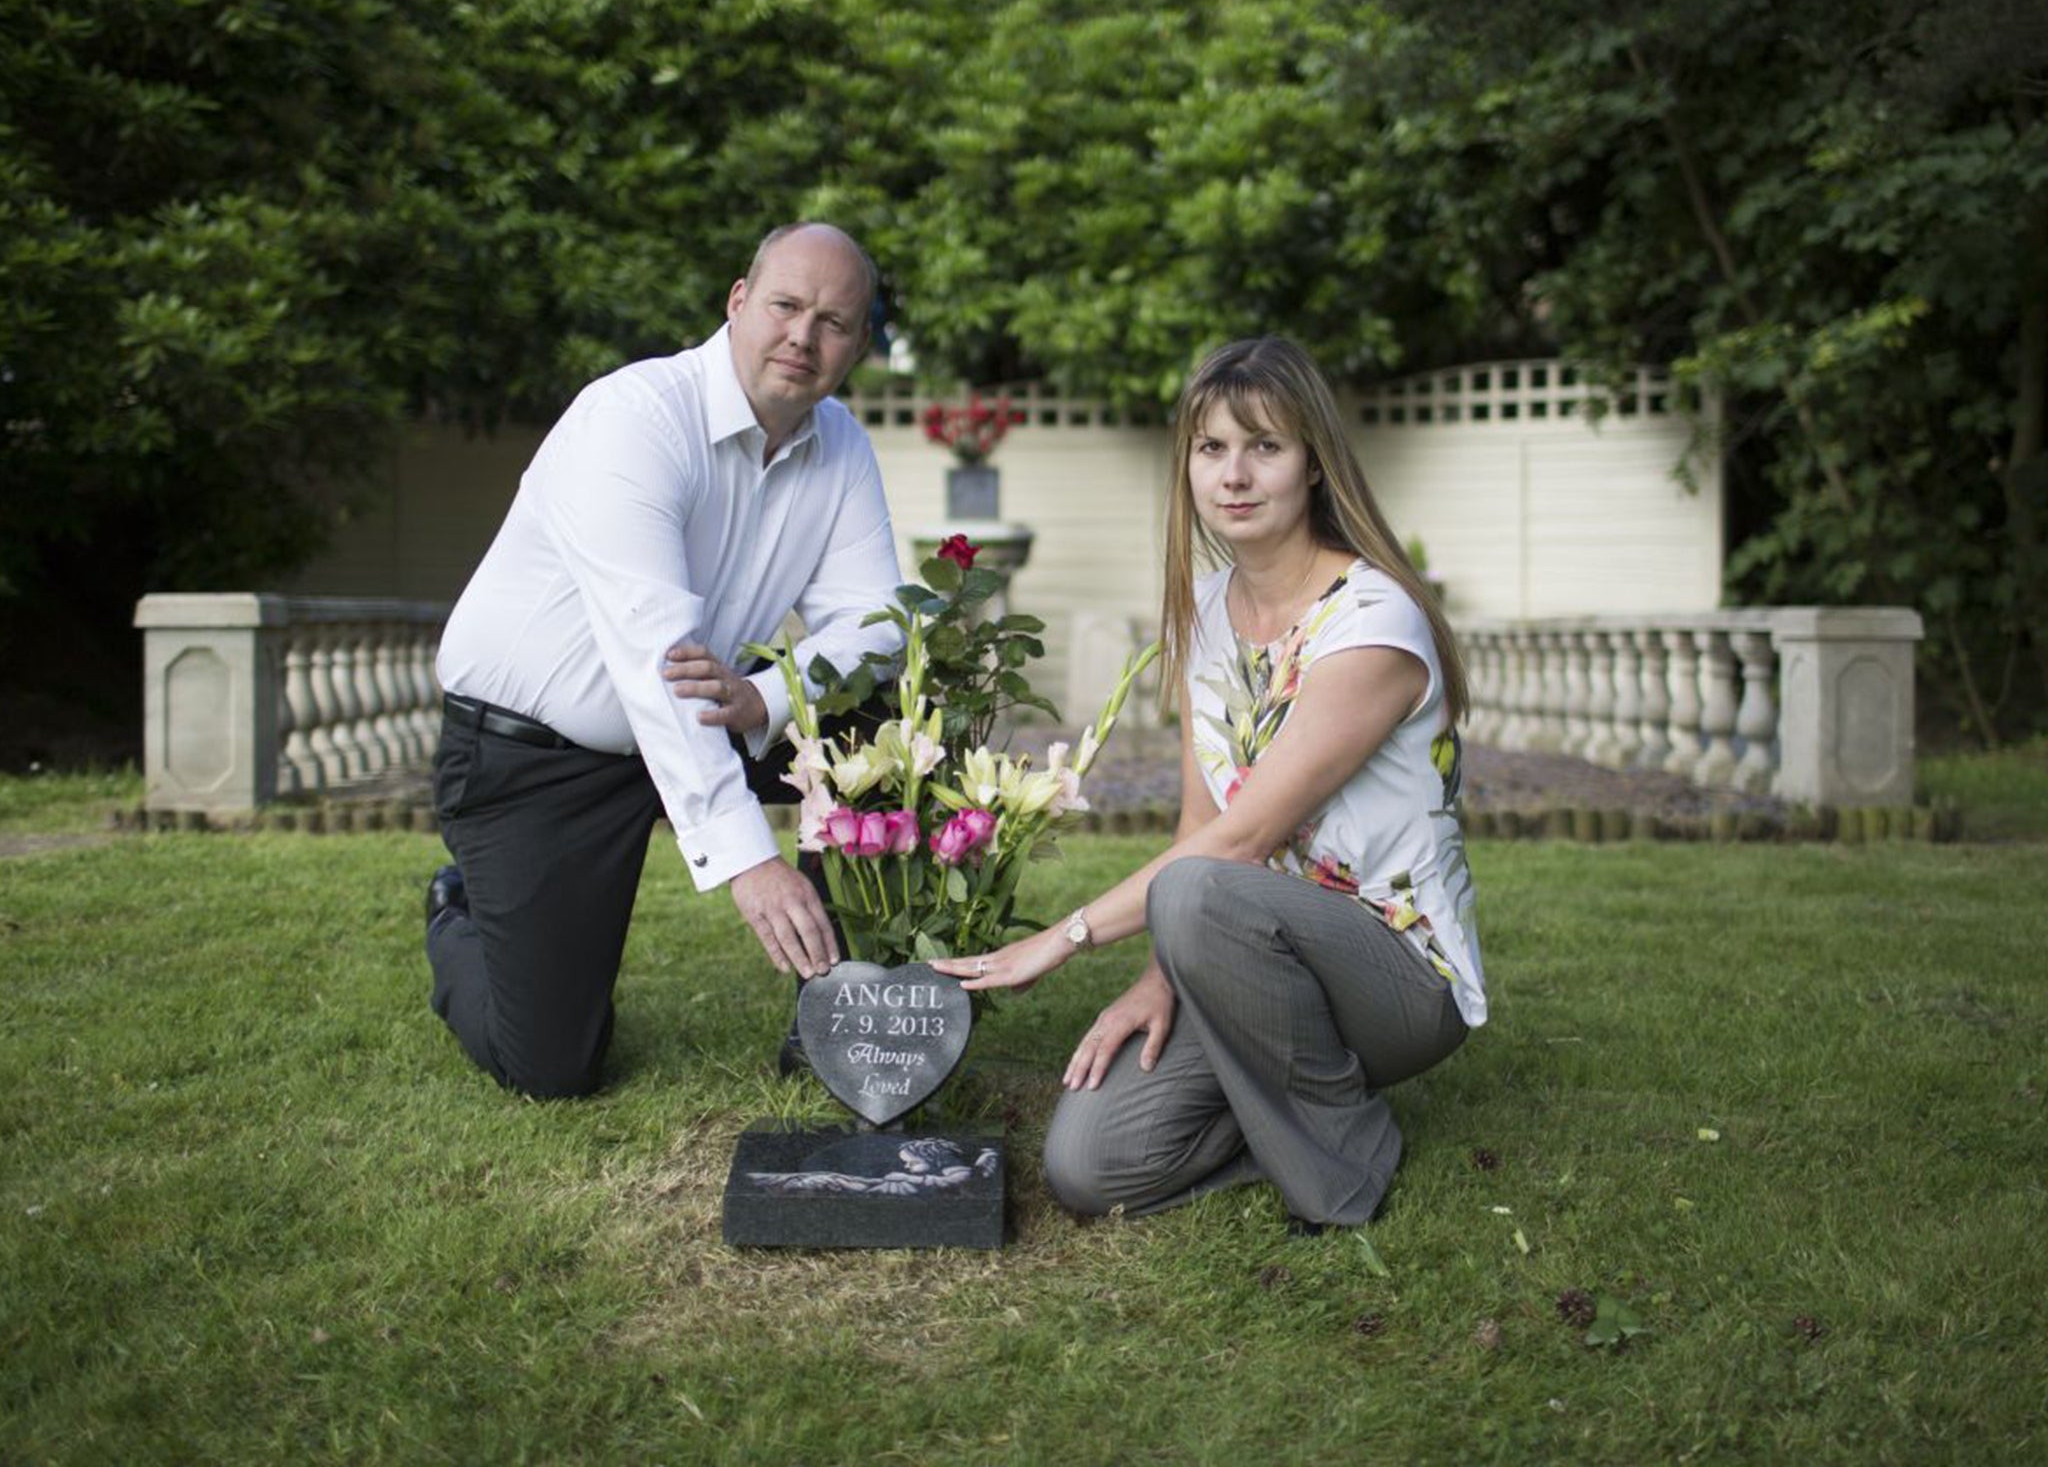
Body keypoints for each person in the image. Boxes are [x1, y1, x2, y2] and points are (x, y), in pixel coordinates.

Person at [932, 336, 1484, 1228]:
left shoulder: (1373, 622)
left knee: (1194, 886)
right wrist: (1162, 975)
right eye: (1211, 447)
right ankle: (1282, 1108)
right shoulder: (1206, 613)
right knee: (1089, 1167)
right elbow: (1201, 818)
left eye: (1265, 446)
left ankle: (1345, 1153)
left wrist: (1062, 939)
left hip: (1399, 975)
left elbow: (1234, 845)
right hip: (1253, 959)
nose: (1235, 474)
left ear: (1313, 465)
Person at [424, 222, 902, 1098]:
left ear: (860, 344)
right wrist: (750, 861)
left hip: (714, 720)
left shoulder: (843, 446)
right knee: (551, 1067)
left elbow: (876, 626)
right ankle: (457, 911)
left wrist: (769, 698)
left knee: (885, 715)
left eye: (834, 322)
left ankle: (837, 1013)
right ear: (738, 302)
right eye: (786, 306)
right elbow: (658, 659)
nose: (803, 336)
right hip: (538, 755)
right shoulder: (633, 417)